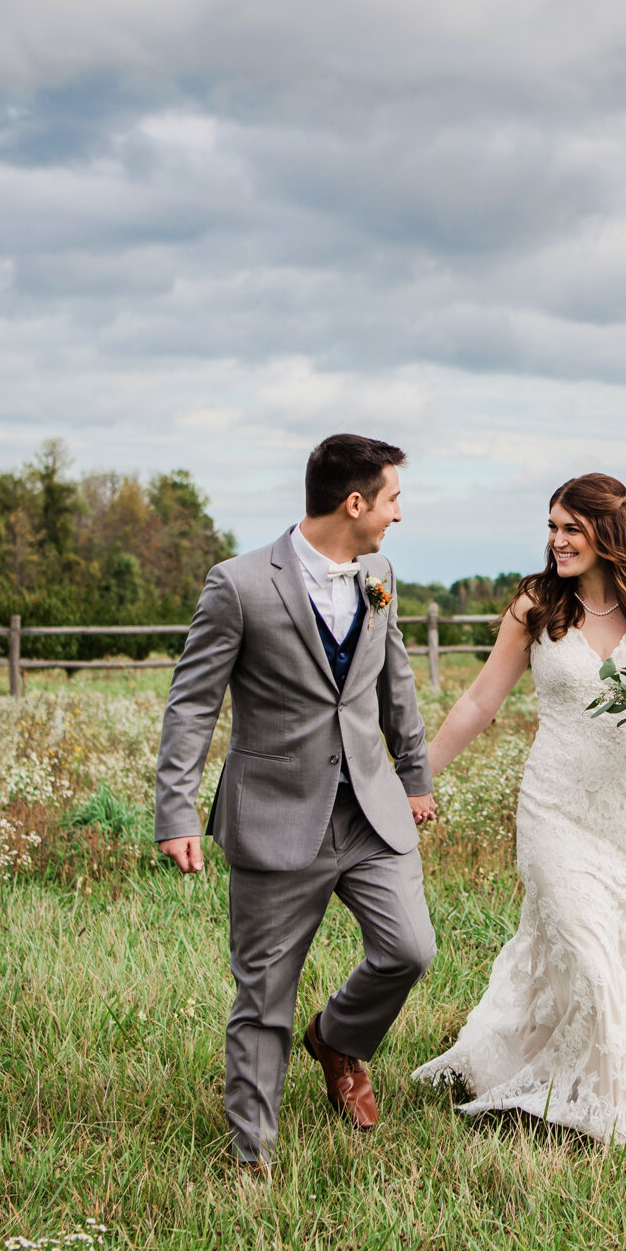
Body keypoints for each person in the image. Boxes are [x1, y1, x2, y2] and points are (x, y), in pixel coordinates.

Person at [153, 433, 437, 1167]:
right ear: (355, 503)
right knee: (264, 995)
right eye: (393, 499)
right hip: (276, 814)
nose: (398, 515)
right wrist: (176, 810)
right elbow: (192, 704)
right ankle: (252, 1157)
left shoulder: (379, 573)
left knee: (410, 948)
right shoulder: (239, 584)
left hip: (369, 809)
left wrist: (413, 776)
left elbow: (392, 679)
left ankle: (338, 1039)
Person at [411, 473, 626, 1145]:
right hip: (557, 810)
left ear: (609, 533)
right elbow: (480, 702)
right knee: (585, 953)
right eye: (552, 527)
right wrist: (414, 777)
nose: (557, 541)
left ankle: (532, 1063)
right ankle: (599, 1113)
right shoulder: (537, 606)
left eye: (571, 528)